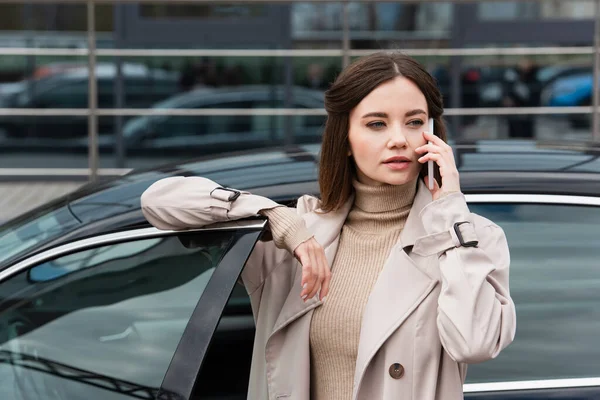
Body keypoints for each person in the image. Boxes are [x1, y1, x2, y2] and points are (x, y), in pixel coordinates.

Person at [141, 52, 516, 400]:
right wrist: (278, 220)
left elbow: (475, 343)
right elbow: (159, 201)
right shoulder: (299, 234)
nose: (399, 139)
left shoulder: (468, 238)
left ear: (432, 133)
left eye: (415, 122)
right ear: (347, 139)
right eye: (376, 124)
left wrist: (449, 210)